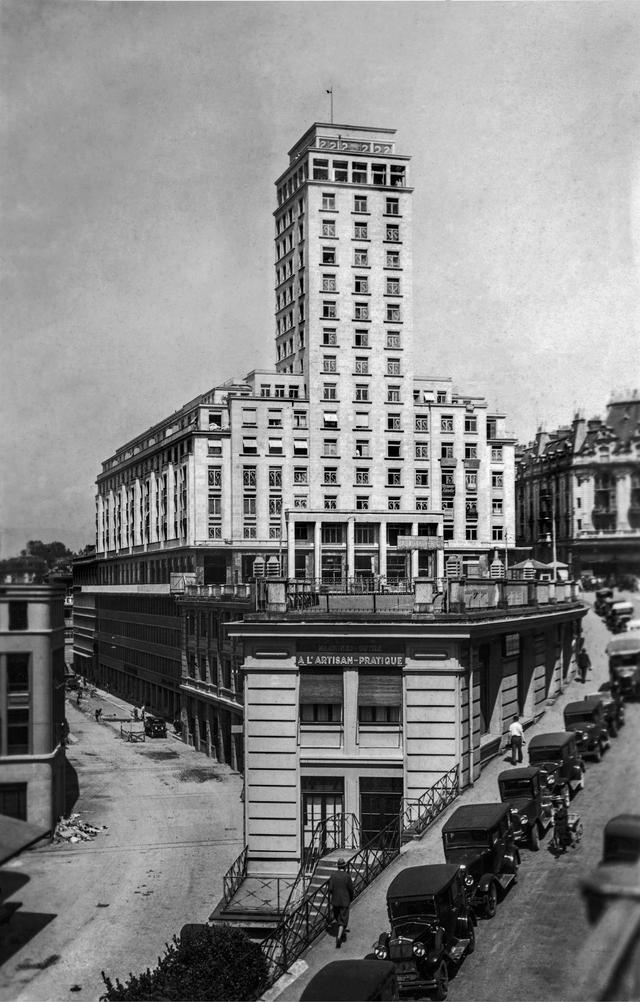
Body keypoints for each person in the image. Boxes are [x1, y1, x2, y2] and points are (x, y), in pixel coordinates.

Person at [328, 858, 354, 949]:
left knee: (338, 918)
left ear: (338, 866)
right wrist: (351, 898)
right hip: (344, 901)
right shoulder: (347, 876)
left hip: (335, 901)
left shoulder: (333, 875)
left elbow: (330, 889)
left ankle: (341, 933)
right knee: (343, 920)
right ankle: (338, 938)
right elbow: (351, 889)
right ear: (345, 866)